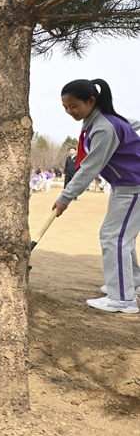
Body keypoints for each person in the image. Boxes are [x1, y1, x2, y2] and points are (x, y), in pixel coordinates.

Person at [54, 78, 140, 314]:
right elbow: (135, 124)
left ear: (91, 101)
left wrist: (65, 198)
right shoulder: (99, 121)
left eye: (74, 106)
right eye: (66, 107)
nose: (70, 112)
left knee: (115, 238)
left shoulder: (103, 127)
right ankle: (131, 283)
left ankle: (122, 298)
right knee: (119, 235)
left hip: (134, 186)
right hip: (124, 187)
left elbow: (90, 167)